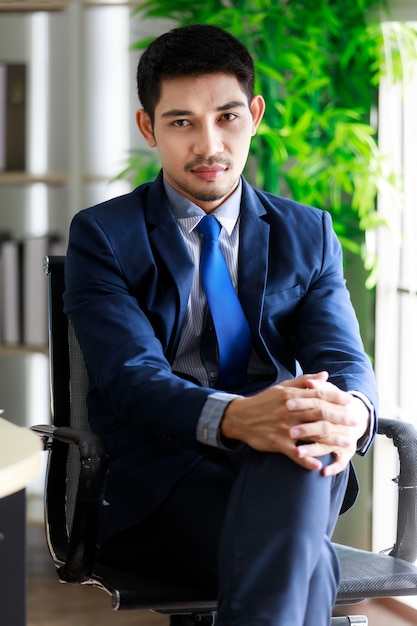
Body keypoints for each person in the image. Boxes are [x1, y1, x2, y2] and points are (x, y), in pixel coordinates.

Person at [64, 23, 378, 626]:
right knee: (307, 561)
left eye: (227, 117)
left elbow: (344, 359)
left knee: (303, 437)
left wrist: (354, 411)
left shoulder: (307, 233)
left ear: (255, 115)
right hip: (163, 485)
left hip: (290, 464)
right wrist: (240, 418)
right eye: (182, 122)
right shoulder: (103, 235)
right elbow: (133, 379)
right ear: (148, 128)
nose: (210, 144)